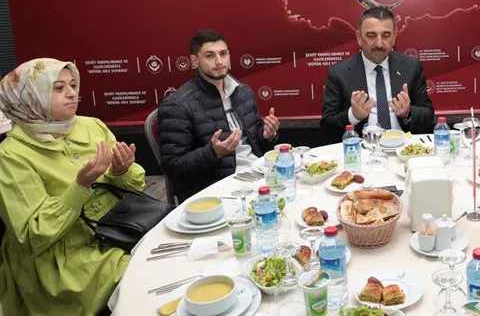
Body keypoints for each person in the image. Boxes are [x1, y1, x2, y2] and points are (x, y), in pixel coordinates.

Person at [0, 58, 145, 316]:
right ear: (31, 97)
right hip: (63, 260)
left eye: (73, 85)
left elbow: (132, 186)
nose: (71, 93)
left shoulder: (91, 126)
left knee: (171, 257)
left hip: (116, 231)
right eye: (58, 88)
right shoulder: (11, 155)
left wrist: (121, 171)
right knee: (148, 278)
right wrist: (81, 185)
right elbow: (35, 233)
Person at [159, 30, 280, 202]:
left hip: (257, 173)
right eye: (210, 56)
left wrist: (266, 135)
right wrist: (213, 153)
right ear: (194, 61)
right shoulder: (177, 106)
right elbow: (173, 166)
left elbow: (257, 143)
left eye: (223, 54)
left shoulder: (243, 92)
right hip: (217, 188)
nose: (219, 61)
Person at [321, 7, 434, 137]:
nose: (379, 44)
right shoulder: (339, 72)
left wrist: (407, 112)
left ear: (394, 37)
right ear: (359, 37)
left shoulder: (411, 67)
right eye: (371, 36)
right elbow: (327, 126)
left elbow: (428, 114)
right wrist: (353, 115)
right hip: (362, 147)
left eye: (386, 36)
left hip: (402, 145)